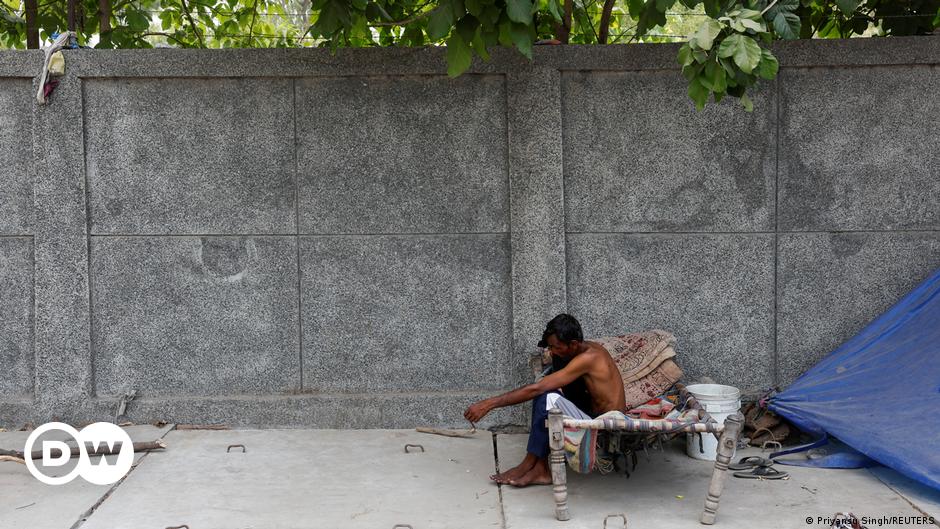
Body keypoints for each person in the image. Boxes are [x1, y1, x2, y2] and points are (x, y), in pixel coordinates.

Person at [464, 314, 626, 487]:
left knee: (545, 396)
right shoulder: (581, 349)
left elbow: (538, 388)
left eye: (556, 347)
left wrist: (488, 404)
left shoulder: (589, 358)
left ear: (573, 344)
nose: (551, 351)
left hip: (606, 421)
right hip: (593, 409)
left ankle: (529, 463)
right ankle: (540, 468)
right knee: (548, 388)